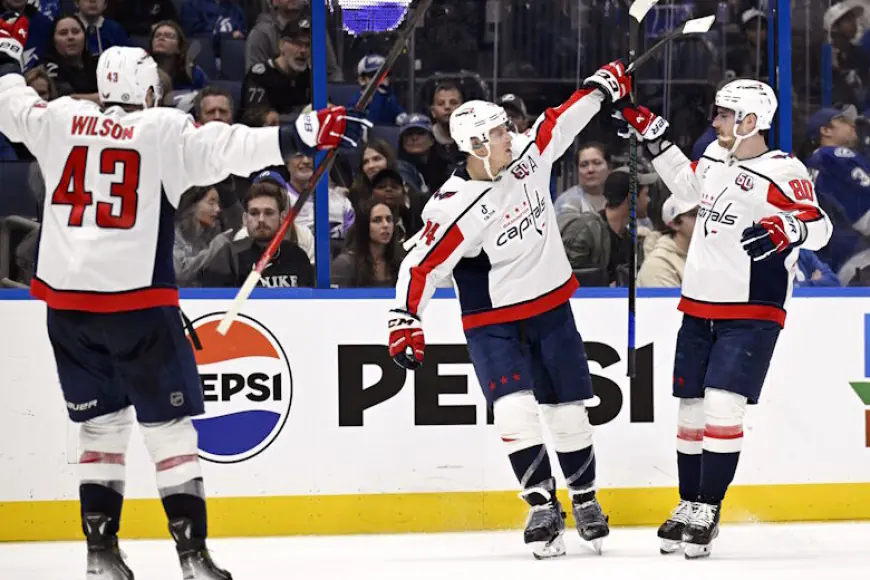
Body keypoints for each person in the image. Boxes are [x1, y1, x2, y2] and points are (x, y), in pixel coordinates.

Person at [0, 15, 369, 579]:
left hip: (67, 308)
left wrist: (6, 52)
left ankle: (101, 556)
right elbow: (230, 147)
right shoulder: (162, 130)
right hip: (137, 307)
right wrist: (300, 134)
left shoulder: (61, 118)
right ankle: (191, 557)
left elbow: (11, 103)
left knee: (99, 429)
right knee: (169, 433)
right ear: (149, 92)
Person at [386, 60, 632, 559]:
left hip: (550, 306)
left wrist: (599, 89)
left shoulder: (525, 154)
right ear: (476, 146)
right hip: (492, 319)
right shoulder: (452, 205)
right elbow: (420, 265)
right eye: (498, 134)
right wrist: (405, 319)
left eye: (506, 128)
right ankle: (542, 502)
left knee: (567, 410)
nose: (510, 137)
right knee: (515, 409)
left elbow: (558, 121)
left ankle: (584, 498)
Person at [616, 79, 832, 558]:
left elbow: (819, 226)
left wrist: (788, 225)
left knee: (721, 406)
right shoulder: (714, 156)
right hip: (699, 304)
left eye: (722, 114)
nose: (714, 122)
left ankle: (707, 508)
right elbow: (690, 185)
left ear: (749, 120)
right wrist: (657, 140)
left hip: (753, 309)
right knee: (690, 410)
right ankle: (687, 503)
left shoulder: (783, 169)